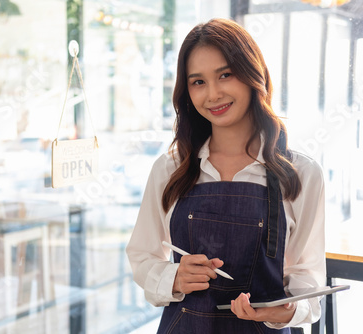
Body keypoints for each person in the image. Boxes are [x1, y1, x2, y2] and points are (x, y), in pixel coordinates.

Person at [126, 18, 325, 333]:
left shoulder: (302, 174)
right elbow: (142, 254)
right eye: (198, 82)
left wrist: (284, 310)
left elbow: (308, 279)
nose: (213, 94)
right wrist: (172, 277)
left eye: (225, 75)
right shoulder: (169, 169)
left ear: (252, 74)